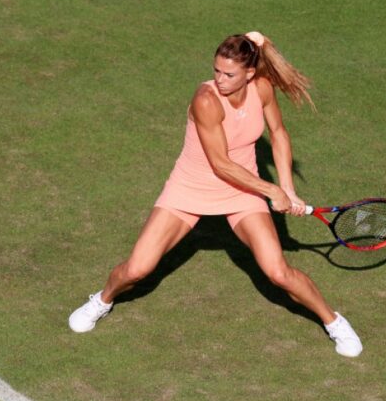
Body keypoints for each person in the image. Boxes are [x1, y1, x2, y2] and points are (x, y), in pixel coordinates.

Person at [68, 32, 362, 357]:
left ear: (250, 73)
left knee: (278, 272)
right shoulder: (206, 99)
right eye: (216, 71)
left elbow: (278, 134)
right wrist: (271, 190)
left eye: (229, 74)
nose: (219, 79)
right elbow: (221, 165)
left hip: (242, 191)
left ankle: (334, 322)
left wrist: (288, 189)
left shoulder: (261, 89)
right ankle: (102, 300)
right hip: (190, 188)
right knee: (137, 269)